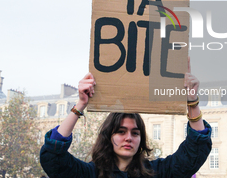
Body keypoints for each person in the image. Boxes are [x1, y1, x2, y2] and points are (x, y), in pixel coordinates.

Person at [40, 60, 212, 178]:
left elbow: (194, 152)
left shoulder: (157, 172)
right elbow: (53, 156)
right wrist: (80, 105)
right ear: (109, 137)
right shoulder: (89, 173)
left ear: (141, 139)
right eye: (121, 132)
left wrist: (192, 102)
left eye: (135, 133)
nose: (129, 137)